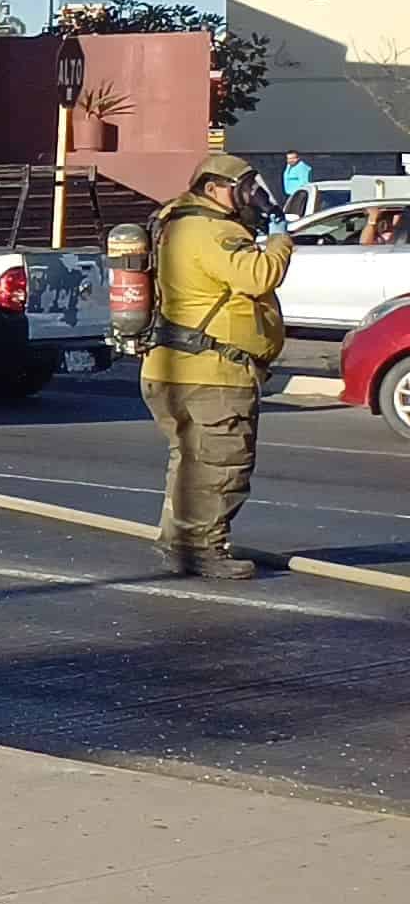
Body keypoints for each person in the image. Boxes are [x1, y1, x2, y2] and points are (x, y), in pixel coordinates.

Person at [140, 150, 294, 581]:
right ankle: (202, 549)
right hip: (211, 372)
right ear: (213, 190)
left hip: (175, 366)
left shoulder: (174, 224)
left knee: (190, 461)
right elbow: (259, 275)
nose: (252, 196)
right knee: (221, 464)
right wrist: (281, 238)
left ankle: (178, 541)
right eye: (243, 188)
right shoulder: (210, 230)